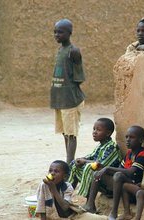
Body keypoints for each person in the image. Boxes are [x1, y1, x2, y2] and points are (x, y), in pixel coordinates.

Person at [82, 126, 144, 215]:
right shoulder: (129, 153)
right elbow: (120, 168)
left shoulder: (142, 154)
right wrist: (103, 168)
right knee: (97, 173)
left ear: (141, 140)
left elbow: (131, 172)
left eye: (132, 137)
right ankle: (90, 205)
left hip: (132, 190)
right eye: (127, 137)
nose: (128, 140)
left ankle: (114, 211)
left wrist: (108, 168)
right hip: (122, 185)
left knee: (118, 175)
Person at [51, 18, 85, 164]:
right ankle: (68, 161)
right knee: (65, 133)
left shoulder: (73, 51)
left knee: (71, 134)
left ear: (69, 33)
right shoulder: (60, 50)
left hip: (71, 99)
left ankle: (69, 164)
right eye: (55, 32)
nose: (57, 35)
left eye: (60, 32)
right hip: (61, 99)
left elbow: (79, 77)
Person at [68, 118, 122, 198]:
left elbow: (100, 165)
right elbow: (91, 156)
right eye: (94, 129)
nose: (94, 132)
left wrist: (85, 161)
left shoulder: (111, 147)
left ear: (108, 133)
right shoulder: (101, 145)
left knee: (89, 168)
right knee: (75, 165)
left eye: (98, 130)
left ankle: (89, 202)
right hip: (100, 177)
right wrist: (79, 160)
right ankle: (67, 196)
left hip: (108, 182)